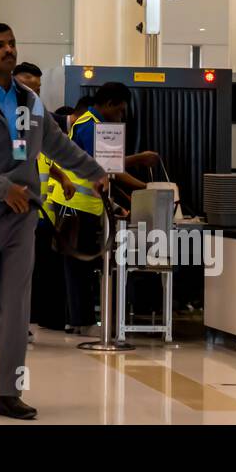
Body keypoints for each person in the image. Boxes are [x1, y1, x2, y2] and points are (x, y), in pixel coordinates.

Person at [0, 23, 109, 420]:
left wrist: (95, 172)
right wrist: (1, 188)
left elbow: (57, 145)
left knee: (17, 305)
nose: (8, 50)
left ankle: (9, 392)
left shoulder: (30, 101)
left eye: (11, 43)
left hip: (23, 216)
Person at [61, 82, 159, 331]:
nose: (121, 116)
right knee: (78, 265)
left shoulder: (91, 124)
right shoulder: (90, 126)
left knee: (81, 265)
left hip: (86, 206)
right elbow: (107, 167)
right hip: (76, 206)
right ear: (110, 104)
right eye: (120, 110)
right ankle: (80, 321)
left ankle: (80, 319)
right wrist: (148, 189)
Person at [0, 62, 69, 341]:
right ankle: (0, 328)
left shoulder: (35, 118)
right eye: (28, 88)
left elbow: (40, 157)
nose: (33, 94)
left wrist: (63, 177)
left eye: (37, 89)